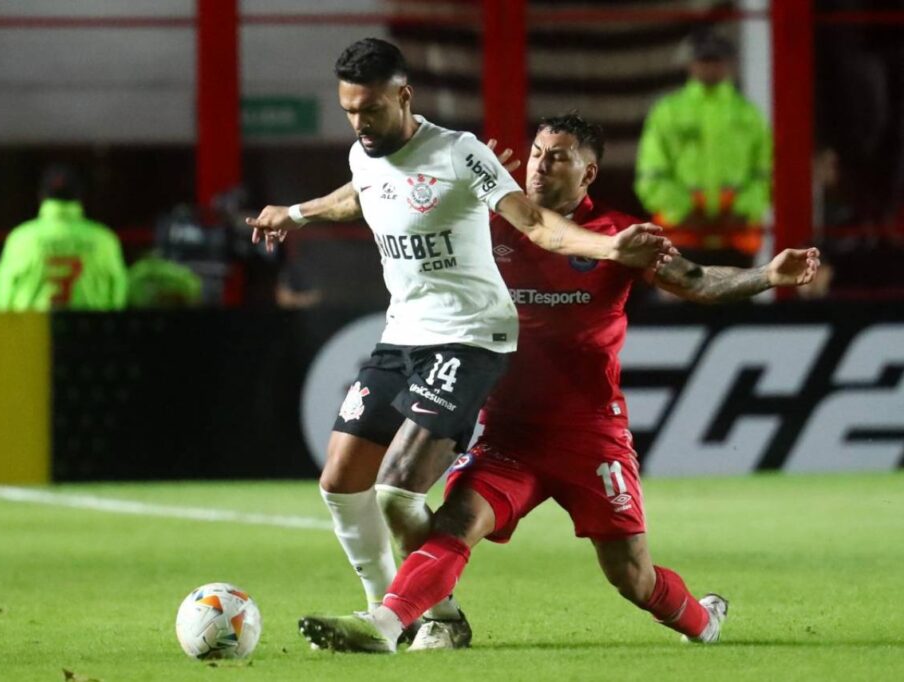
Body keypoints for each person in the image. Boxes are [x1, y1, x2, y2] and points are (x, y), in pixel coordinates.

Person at [299, 114, 820, 653]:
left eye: (558, 156)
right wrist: (305, 212)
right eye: (537, 153)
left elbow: (696, 281)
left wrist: (768, 276)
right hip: (508, 435)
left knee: (631, 576)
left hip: (589, 436)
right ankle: (391, 623)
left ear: (589, 172)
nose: (540, 165)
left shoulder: (619, 234)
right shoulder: (489, 221)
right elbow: (388, 192)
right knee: (454, 523)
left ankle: (701, 620)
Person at [247, 38, 675, 639]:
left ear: (404, 96)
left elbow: (535, 224)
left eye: (370, 109)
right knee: (340, 481)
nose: (359, 123)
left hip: (471, 336)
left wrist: (608, 247)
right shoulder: (364, 153)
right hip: (403, 334)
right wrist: (293, 214)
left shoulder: (459, 153)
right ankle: (418, 613)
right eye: (349, 111)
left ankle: (387, 623)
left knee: (397, 494)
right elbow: (361, 193)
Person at [635, 28, 772, 268]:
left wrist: (742, 212)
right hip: (680, 239)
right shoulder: (667, 112)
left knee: (736, 306)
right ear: (690, 64)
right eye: (704, 60)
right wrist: (684, 213)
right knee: (682, 305)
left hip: (736, 240)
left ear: (729, 64)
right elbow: (651, 175)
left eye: (716, 60)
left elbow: (766, 173)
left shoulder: (748, 115)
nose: (710, 66)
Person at [0, 165, 127, 311]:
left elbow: (4, 301)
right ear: (80, 198)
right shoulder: (104, 240)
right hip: (89, 331)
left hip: (32, 331)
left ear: (42, 197)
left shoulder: (20, 239)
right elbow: (118, 297)